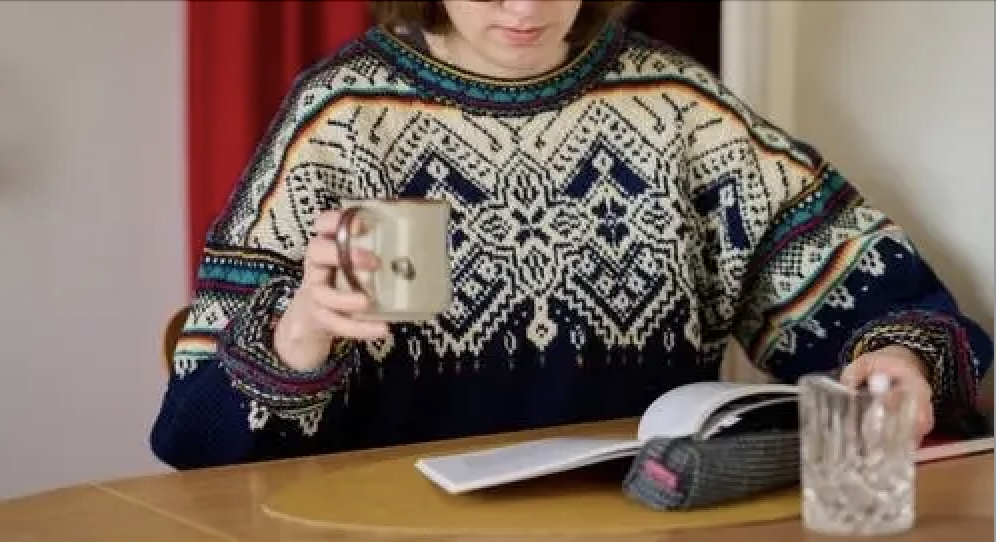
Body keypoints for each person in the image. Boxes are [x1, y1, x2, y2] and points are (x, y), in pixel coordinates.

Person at [150, 0, 993, 470]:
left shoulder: (679, 106)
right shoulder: (339, 119)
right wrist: (297, 335)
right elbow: (193, 440)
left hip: (644, 522)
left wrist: (898, 359)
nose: (527, 6)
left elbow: (881, 300)